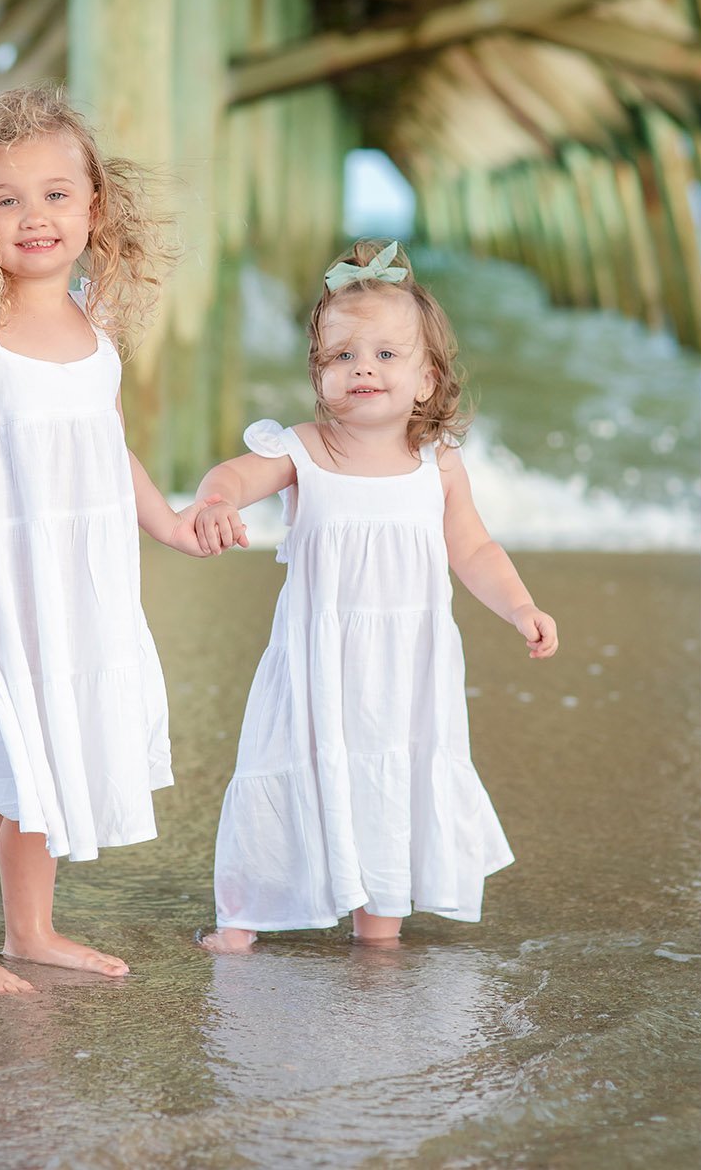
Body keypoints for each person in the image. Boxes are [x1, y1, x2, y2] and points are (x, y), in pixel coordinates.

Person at [0, 84, 203, 996]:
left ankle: (30, 930)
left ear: (94, 206)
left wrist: (173, 523)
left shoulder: (94, 334)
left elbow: (109, 454)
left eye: (57, 194)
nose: (35, 216)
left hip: (75, 595)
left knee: (49, 751)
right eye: (7, 199)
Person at [189, 238, 559, 952]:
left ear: (427, 379)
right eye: (342, 356)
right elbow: (231, 476)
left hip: (407, 667)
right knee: (282, 762)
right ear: (319, 374)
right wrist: (214, 502)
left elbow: (475, 549)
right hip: (316, 661)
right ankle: (243, 916)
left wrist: (520, 606)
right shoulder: (303, 450)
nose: (363, 366)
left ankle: (379, 921)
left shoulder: (436, 467)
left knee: (394, 770)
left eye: (387, 355)